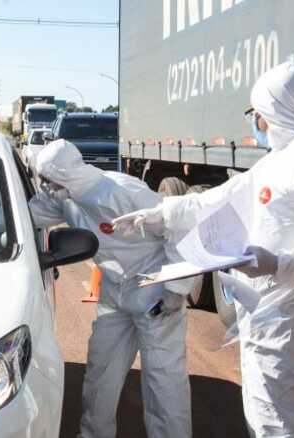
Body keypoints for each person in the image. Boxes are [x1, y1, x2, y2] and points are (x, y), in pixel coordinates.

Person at [114, 63, 294, 437]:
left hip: (290, 312)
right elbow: (217, 199)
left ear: (277, 109)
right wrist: (161, 213)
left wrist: (278, 264)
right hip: (261, 306)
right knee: (263, 411)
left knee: (278, 419)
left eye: (256, 113)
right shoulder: (280, 160)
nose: (255, 122)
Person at [29, 139, 191, 438]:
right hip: (115, 290)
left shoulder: (124, 192)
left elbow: (180, 228)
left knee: (162, 379)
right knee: (100, 372)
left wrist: (176, 288)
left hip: (154, 292)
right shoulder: (65, 197)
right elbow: (29, 215)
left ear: (63, 175)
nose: (46, 187)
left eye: (48, 180)